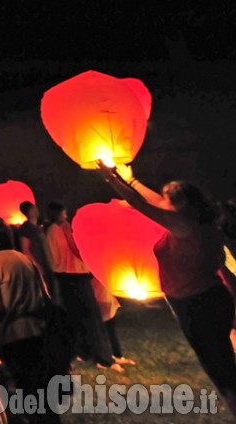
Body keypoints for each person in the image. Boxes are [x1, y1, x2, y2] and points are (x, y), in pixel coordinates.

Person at [97, 160, 236, 415]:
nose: (162, 201)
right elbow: (156, 203)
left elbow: (144, 206)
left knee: (221, 370)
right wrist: (132, 178)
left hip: (199, 306)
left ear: (181, 204)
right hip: (206, 302)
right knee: (223, 364)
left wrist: (111, 179)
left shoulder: (185, 228)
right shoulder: (200, 226)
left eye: (167, 198)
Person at [0, 217, 60, 423]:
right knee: (41, 394)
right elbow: (46, 297)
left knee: (23, 395)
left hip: (13, 337)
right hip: (37, 333)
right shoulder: (24, 259)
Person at [44, 201, 119, 371]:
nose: (66, 216)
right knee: (91, 317)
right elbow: (76, 248)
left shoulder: (49, 230)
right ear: (60, 214)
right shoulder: (63, 227)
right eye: (64, 213)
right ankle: (103, 358)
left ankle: (84, 352)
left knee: (75, 317)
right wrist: (92, 259)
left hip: (62, 276)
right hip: (76, 275)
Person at [15, 201, 57, 299]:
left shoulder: (36, 228)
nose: (37, 210)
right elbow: (25, 249)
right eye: (34, 208)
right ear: (30, 211)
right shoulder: (26, 228)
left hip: (47, 266)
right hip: (40, 268)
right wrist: (37, 267)